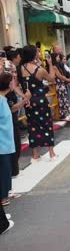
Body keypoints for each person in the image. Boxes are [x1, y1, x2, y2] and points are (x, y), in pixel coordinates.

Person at [21, 45, 57, 163]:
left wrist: (24, 97)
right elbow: (52, 78)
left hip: (29, 101)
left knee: (33, 126)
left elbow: (15, 84)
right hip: (40, 100)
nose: (38, 53)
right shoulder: (39, 70)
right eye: (37, 51)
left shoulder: (20, 68)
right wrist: (50, 64)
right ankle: (51, 152)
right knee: (46, 124)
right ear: (33, 54)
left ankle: (35, 155)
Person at [0, 67, 16, 233]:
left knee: (4, 180)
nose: (14, 83)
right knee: (2, 181)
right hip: (1, 146)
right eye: (12, 80)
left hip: (5, 145)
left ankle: (2, 216)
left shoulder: (3, 100)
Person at [48, 53, 70, 119]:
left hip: (60, 84)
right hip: (59, 84)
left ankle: (61, 114)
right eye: (57, 57)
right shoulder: (54, 67)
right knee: (61, 99)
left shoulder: (56, 66)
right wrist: (67, 79)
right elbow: (60, 76)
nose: (59, 58)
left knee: (61, 99)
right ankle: (61, 114)